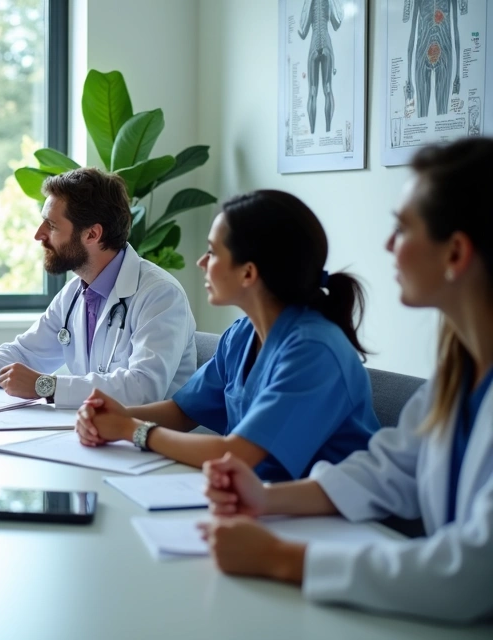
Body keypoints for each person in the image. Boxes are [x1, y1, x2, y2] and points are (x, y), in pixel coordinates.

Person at [197, 139, 493, 623]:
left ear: (456, 252)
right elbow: (390, 470)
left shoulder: (313, 345)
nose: (388, 246)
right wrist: (265, 497)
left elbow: (471, 574)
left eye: (402, 228)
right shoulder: (460, 369)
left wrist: (280, 558)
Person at [75, 190, 378, 482]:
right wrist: (115, 414)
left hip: (337, 522)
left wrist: (131, 429)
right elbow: (183, 411)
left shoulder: (314, 351)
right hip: (261, 501)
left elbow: (238, 455)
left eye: (212, 252)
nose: (201, 263)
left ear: (248, 273)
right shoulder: (242, 334)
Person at [0, 167, 196, 408]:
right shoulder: (76, 292)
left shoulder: (160, 295)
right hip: (97, 439)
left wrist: (46, 386)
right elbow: (24, 352)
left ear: (92, 234)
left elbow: (143, 389)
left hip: (151, 454)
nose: (38, 235)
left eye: (51, 225)